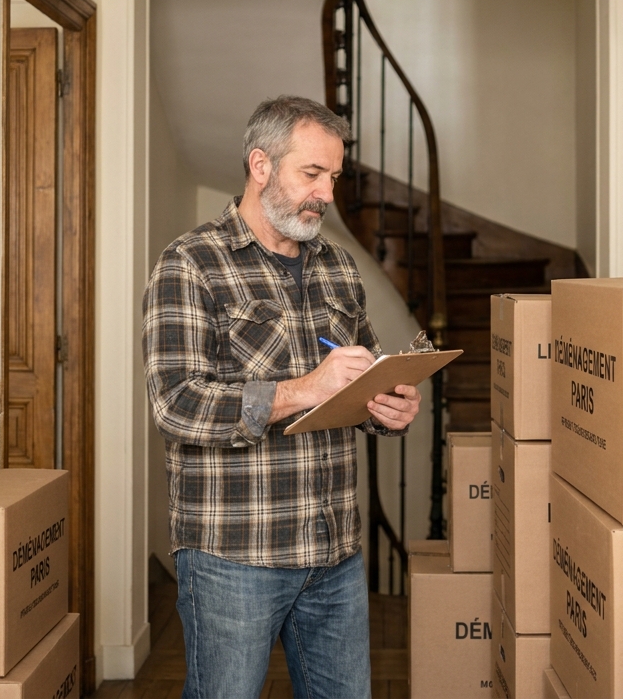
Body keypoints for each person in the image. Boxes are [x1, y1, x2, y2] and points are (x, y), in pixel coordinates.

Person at [142, 95, 421, 699]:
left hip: (334, 552)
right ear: (261, 165)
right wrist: (303, 389)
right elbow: (176, 403)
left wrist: (388, 411)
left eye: (334, 178)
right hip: (233, 557)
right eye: (312, 175)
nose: (326, 194)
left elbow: (360, 378)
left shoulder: (338, 268)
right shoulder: (190, 265)